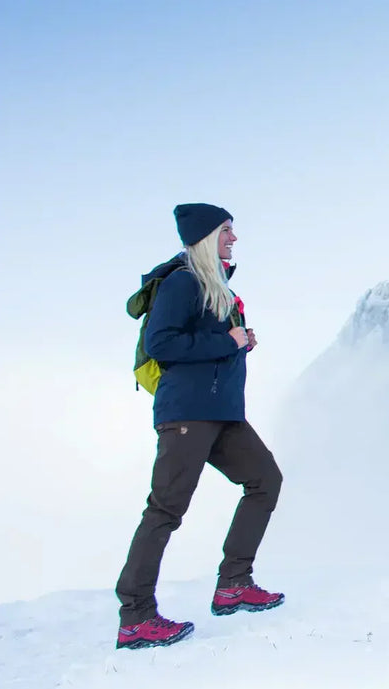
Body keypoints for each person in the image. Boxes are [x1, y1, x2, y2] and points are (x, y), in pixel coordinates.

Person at [114, 203, 284, 650]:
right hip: (188, 414)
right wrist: (224, 340)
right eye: (227, 231)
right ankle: (135, 616)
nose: (234, 238)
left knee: (265, 480)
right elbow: (162, 343)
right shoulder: (184, 280)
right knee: (166, 510)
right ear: (207, 236)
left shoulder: (215, 285)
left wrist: (240, 343)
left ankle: (233, 584)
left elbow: (207, 345)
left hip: (222, 412)